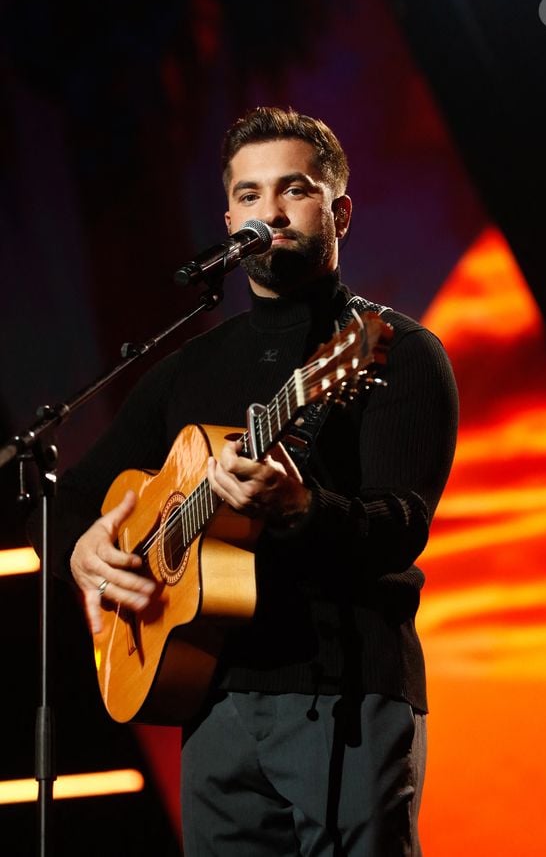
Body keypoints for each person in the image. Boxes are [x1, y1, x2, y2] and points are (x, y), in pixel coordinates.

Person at [37, 107, 458, 856]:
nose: (271, 211)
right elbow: (75, 494)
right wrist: (82, 551)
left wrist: (303, 507)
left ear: (340, 210)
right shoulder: (189, 367)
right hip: (213, 705)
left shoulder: (392, 350)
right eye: (251, 194)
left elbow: (402, 525)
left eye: (294, 189)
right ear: (231, 220)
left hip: (347, 694)